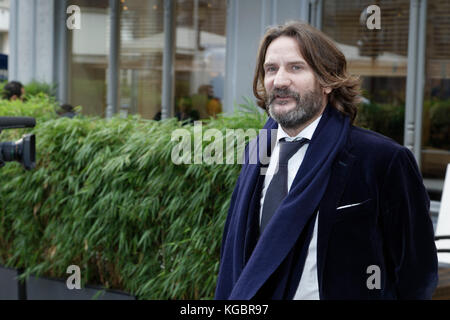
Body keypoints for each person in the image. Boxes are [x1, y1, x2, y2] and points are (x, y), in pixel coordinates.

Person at [215, 21, 438, 300]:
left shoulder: (382, 159)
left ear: (327, 81)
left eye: (296, 67)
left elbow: (416, 272)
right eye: (271, 69)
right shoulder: (256, 151)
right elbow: (237, 255)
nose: (280, 80)